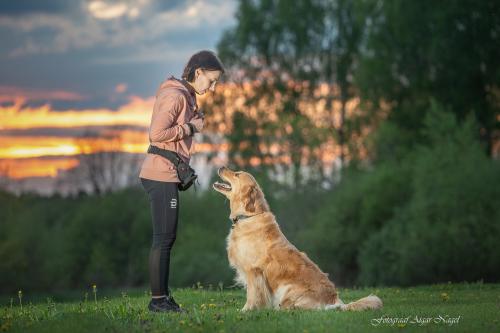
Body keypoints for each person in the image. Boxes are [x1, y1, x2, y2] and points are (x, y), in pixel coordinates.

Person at [139, 50, 224, 312]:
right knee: (163, 238)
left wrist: (193, 122)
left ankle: (162, 297)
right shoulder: (175, 95)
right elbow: (156, 133)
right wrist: (190, 128)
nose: (212, 87)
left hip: (166, 174)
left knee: (166, 238)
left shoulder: (184, 96)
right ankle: (158, 301)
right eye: (211, 81)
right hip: (160, 174)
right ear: (198, 72)